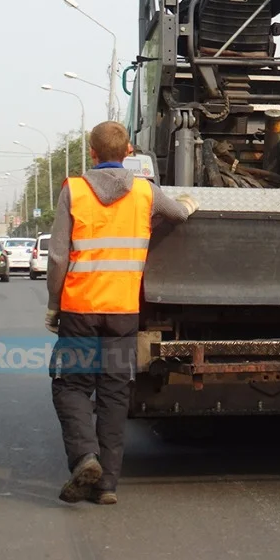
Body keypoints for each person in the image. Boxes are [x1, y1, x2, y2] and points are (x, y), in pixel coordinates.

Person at [46, 121, 197, 504]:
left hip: (80, 309)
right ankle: (107, 485)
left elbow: (58, 256)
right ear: (128, 151)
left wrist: (53, 304)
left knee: (72, 385)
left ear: (92, 153)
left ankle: (84, 457)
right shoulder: (145, 192)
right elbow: (177, 215)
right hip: (123, 311)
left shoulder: (74, 190)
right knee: (114, 392)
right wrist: (187, 206)